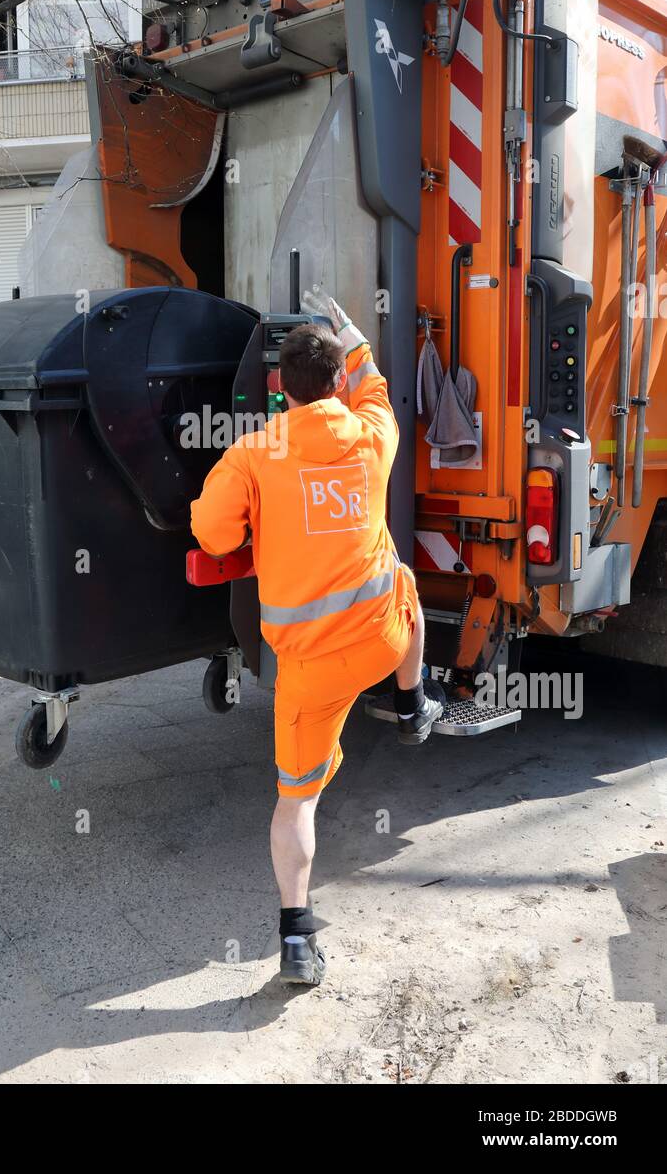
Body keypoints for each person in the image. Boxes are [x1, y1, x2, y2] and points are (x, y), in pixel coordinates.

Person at [190, 289, 444, 986]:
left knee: (296, 801)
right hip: (382, 641)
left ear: (279, 388)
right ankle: (411, 703)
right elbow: (379, 388)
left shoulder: (255, 451)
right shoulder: (372, 433)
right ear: (337, 382)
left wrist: (252, 526)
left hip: (307, 668)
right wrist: (351, 329)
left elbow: (212, 534)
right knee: (404, 582)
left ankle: (297, 939)